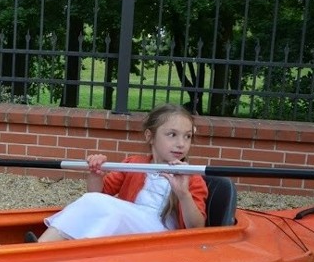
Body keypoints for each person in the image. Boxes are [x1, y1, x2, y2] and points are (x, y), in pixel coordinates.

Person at [37, 103, 207, 242]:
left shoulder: (191, 176)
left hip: (161, 238)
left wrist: (183, 194)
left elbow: (196, 228)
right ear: (150, 136)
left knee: (113, 214)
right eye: (172, 135)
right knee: (96, 203)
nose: (181, 143)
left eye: (188, 136)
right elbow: (97, 195)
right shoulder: (134, 164)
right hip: (129, 228)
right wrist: (96, 173)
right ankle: (41, 247)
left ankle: (49, 249)